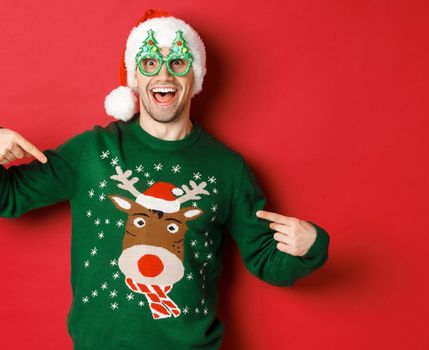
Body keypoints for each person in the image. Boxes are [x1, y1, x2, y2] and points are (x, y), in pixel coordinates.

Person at [0, 9, 330, 349]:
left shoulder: (227, 169)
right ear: (134, 77)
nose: (164, 75)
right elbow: (8, 198)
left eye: (177, 63)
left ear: (195, 76)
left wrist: (311, 247)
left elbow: (266, 261)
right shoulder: (93, 151)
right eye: (149, 63)